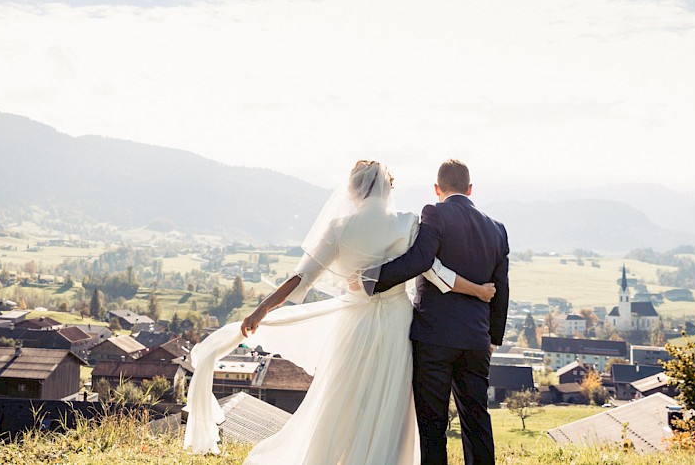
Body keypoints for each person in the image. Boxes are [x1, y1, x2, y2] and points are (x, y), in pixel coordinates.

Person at [184, 160, 495, 464]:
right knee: (390, 401)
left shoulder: (339, 228)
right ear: (389, 187)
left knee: (343, 398)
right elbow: (434, 271)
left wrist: (260, 311)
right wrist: (479, 290)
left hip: (354, 324)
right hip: (398, 324)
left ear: (353, 190)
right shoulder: (407, 222)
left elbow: (300, 278)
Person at [363, 159, 510, 465]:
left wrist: (372, 279)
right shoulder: (497, 229)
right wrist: (492, 338)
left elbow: (419, 260)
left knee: (433, 426)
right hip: (476, 340)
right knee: (477, 421)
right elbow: (502, 289)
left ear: (437, 188)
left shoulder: (434, 212)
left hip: (434, 338)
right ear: (470, 189)